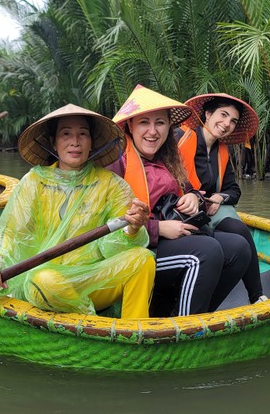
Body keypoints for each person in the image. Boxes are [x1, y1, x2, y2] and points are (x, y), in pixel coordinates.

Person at [0, 104, 155, 319]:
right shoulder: (34, 182)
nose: (75, 142)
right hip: (47, 285)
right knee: (44, 281)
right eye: (66, 134)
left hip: (93, 281)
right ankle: (92, 322)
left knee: (143, 259)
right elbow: (12, 235)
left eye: (83, 134)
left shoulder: (112, 185)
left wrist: (132, 229)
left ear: (91, 142)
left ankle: (133, 331)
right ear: (54, 143)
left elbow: (114, 248)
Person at [107, 84, 254, 317]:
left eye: (160, 123)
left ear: (168, 127)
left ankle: (186, 310)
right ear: (130, 125)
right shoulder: (116, 160)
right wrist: (158, 228)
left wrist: (193, 198)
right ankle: (185, 326)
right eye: (144, 122)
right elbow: (105, 220)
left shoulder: (168, 157)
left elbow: (193, 190)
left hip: (175, 235)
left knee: (240, 248)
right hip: (138, 247)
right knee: (207, 251)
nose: (153, 131)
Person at [179, 93, 267, 304]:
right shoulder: (179, 138)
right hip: (181, 209)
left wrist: (218, 197)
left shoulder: (221, 150)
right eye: (223, 115)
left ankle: (256, 295)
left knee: (239, 230)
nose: (227, 123)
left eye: (233, 121)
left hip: (209, 210)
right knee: (219, 240)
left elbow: (234, 190)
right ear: (208, 114)